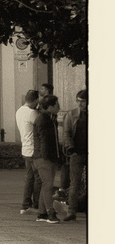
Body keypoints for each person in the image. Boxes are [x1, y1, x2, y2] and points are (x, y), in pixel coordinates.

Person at [33, 95, 63, 223]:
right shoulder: (44, 119)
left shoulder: (49, 118)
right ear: (50, 107)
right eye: (57, 105)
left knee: (46, 185)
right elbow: (45, 140)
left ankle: (42, 213)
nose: (59, 108)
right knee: (48, 185)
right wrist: (51, 157)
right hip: (44, 157)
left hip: (46, 156)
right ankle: (50, 213)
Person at [61, 89, 86, 222]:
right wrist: (70, 148)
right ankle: (72, 211)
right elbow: (66, 133)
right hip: (77, 152)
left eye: (82, 101)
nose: (80, 104)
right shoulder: (72, 115)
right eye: (78, 101)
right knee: (74, 183)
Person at [16, 89, 40, 215]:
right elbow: (40, 125)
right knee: (37, 178)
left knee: (29, 177)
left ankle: (25, 205)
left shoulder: (19, 111)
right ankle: (35, 204)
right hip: (33, 149)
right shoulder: (32, 113)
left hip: (25, 148)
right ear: (35, 100)